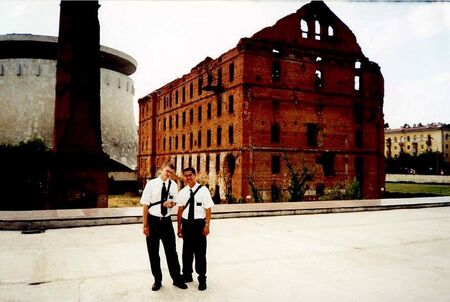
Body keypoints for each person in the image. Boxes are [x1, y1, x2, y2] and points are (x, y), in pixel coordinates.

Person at [140, 162, 187, 291]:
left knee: (172, 252)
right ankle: (157, 280)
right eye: (167, 171)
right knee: (153, 253)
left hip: (166, 222)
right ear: (161, 170)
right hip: (153, 221)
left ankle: (177, 279)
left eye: (171, 173)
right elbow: (145, 205)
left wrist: (170, 204)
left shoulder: (173, 185)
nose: (169, 175)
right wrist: (145, 225)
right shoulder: (151, 184)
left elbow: (175, 203)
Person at [176, 167, 214, 291]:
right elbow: (180, 210)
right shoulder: (182, 192)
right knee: (186, 252)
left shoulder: (203, 191)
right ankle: (187, 275)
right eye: (185, 175)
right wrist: (179, 227)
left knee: (200, 253)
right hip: (187, 225)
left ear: (195, 175)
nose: (188, 178)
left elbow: (208, 209)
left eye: (190, 175)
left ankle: (202, 278)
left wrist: (207, 225)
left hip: (199, 225)